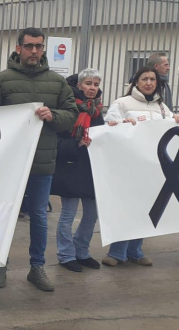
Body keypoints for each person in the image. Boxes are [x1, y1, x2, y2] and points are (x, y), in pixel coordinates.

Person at [0, 27, 78, 292]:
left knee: (38, 216)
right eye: (29, 46)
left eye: (39, 46)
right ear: (19, 48)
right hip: (9, 163)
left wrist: (54, 116)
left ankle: (37, 267)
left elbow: (71, 115)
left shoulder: (57, 83)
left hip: (42, 161)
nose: (34, 51)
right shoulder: (1, 81)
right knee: (5, 215)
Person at [101, 65, 179, 267]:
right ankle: (116, 252)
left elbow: (172, 128)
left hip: (154, 167)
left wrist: (178, 120)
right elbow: (109, 125)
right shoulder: (122, 103)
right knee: (126, 208)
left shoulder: (162, 107)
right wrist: (120, 123)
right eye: (144, 79)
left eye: (152, 79)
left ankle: (135, 251)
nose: (149, 83)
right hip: (129, 168)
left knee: (145, 209)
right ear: (136, 82)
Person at [51, 68, 104, 273]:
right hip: (71, 167)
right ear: (79, 85)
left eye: (96, 84)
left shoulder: (97, 109)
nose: (92, 88)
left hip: (91, 169)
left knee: (91, 215)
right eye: (88, 84)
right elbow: (56, 140)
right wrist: (76, 144)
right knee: (68, 214)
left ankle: (82, 251)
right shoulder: (68, 106)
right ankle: (66, 255)